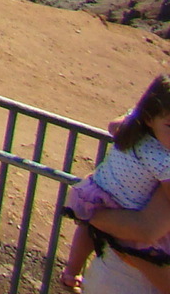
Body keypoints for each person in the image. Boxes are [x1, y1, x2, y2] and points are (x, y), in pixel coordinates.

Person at [60, 76, 170, 294]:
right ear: (150, 118)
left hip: (99, 193)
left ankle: (72, 271)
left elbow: (113, 125)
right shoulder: (162, 158)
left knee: (87, 227)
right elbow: (146, 230)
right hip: (127, 278)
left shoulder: (138, 131)